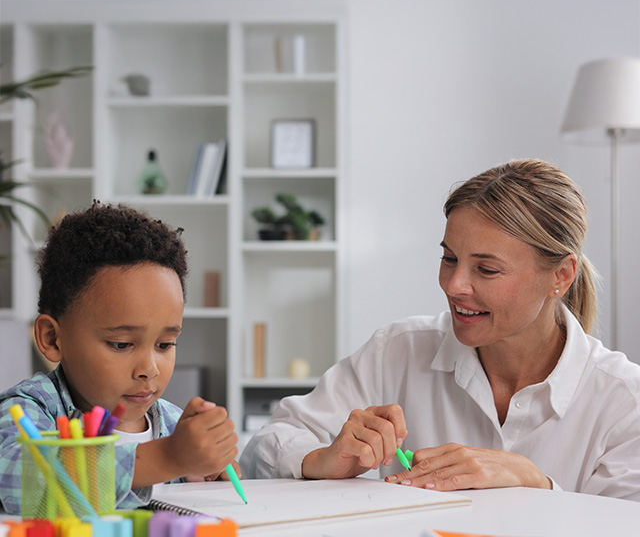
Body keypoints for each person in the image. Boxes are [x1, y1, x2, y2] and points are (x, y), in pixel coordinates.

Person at [240, 159, 640, 501]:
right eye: (449, 259)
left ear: (561, 275)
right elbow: (263, 448)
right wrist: (322, 459)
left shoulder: (625, 402)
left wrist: (538, 485)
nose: (454, 286)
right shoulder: (396, 351)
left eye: (486, 269)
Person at [0, 201, 239, 514]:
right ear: (52, 338)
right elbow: (17, 480)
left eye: (165, 344)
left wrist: (211, 466)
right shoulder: (31, 408)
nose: (148, 369)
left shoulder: (171, 422)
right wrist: (167, 459)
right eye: (121, 344)